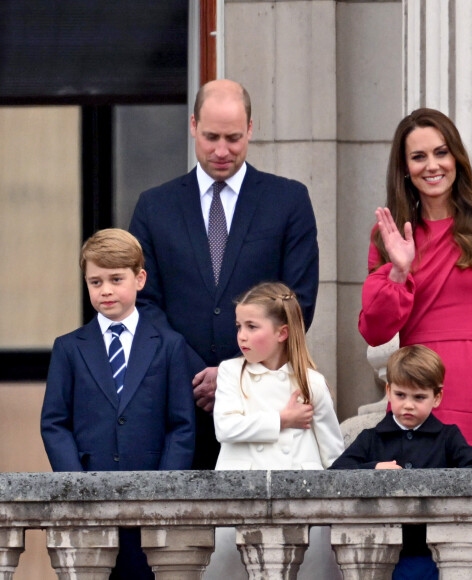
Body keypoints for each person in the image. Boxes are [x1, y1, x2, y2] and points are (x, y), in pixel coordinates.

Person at [358, 108, 472, 579]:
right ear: (405, 168)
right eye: (418, 156)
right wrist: (399, 269)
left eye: (440, 152)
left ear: (456, 158)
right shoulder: (388, 235)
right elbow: (375, 330)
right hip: (412, 394)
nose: (431, 165)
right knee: (413, 526)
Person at [129, 79, 319, 469]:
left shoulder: (288, 200)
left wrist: (233, 373)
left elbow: (298, 300)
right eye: (211, 136)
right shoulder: (154, 206)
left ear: (251, 129)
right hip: (177, 403)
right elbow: (142, 301)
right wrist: (197, 373)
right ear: (193, 125)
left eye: (233, 138)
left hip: (263, 402)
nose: (221, 150)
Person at [41, 228, 195, 580]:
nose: (105, 290)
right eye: (95, 282)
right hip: (89, 494)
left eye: (115, 279)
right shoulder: (68, 347)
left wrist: (166, 489)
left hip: (152, 497)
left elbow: (181, 424)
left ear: (139, 279)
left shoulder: (169, 345)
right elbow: (54, 422)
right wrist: (76, 484)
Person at [205, 281, 344, 579]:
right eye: (239, 326)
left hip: (302, 506)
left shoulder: (311, 382)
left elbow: (333, 454)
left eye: (252, 326)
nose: (242, 335)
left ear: (282, 333)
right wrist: (282, 419)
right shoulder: (231, 372)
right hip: (240, 498)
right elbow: (225, 427)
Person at [331, 345, 472, 579]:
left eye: (419, 397)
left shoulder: (448, 437)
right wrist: (373, 468)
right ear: (388, 390)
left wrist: (440, 482)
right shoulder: (371, 438)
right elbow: (334, 475)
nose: (408, 404)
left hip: (435, 553)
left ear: (437, 397)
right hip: (382, 552)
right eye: (400, 395)